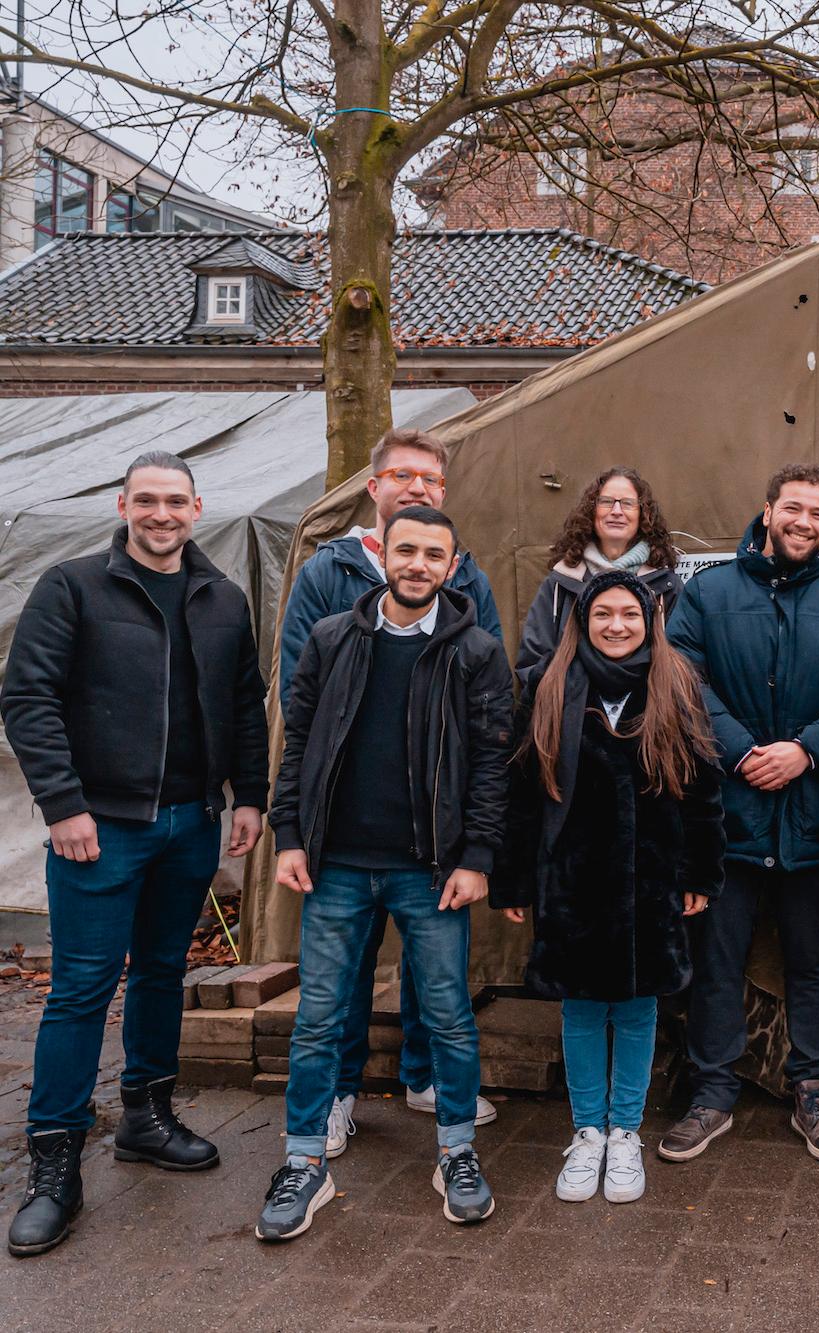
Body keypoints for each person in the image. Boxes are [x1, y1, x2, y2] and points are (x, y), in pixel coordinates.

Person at [2, 452, 268, 1258]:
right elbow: (27, 696)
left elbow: (244, 702)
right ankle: (54, 1163)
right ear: (122, 504)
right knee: (82, 988)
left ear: (197, 507)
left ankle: (147, 1117)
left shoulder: (222, 598)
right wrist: (63, 805)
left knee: (162, 972)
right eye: (145, 500)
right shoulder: (72, 586)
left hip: (189, 823)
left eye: (174, 501)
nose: (160, 514)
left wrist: (249, 794)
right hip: (100, 827)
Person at [257, 506, 513, 1243]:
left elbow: (493, 765)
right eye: (407, 550)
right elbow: (298, 739)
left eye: (434, 553)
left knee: (447, 1017)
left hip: (428, 870)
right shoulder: (335, 639)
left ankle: (457, 1153)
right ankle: (304, 1161)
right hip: (336, 864)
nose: (418, 564)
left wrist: (478, 856)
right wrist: (291, 835)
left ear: (452, 563)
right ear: (382, 553)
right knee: (316, 1018)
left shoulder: (475, 653)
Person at [660, 463, 819, 1165]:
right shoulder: (707, 593)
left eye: (818, 513)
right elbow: (681, 676)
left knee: (812, 960)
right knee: (717, 959)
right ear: (767, 511)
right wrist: (740, 751)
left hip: (814, 815)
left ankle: (812, 1083)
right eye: (793, 508)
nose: (804, 522)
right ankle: (711, 1092)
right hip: (728, 816)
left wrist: (806, 749)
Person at [496, 571, 725, 1206]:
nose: (616, 625)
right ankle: (587, 1131)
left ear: (649, 620)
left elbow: (704, 789)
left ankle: (626, 1132)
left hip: (651, 881)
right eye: (603, 615)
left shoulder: (676, 687)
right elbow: (520, 792)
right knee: (580, 1007)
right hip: (572, 880)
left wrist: (699, 872)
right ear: (582, 621)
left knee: (639, 1006)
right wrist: (515, 878)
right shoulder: (551, 687)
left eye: (629, 614)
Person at [516, 467, 684, 686]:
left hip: (646, 713)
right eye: (606, 501)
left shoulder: (667, 586)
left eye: (627, 503)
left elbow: (682, 663)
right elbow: (532, 662)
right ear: (591, 512)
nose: (616, 511)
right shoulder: (559, 584)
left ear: (644, 514)